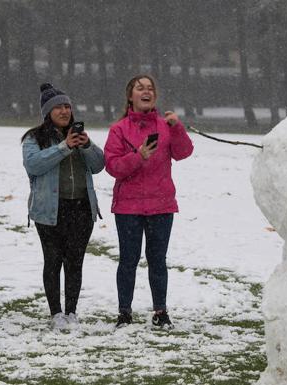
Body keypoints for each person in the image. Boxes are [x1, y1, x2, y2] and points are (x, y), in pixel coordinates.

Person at [104, 74, 193, 328]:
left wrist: (177, 127)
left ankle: (160, 311)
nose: (146, 92)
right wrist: (138, 156)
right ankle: (124, 312)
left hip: (161, 204)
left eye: (150, 88)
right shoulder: (119, 129)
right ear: (130, 96)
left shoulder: (165, 125)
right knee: (128, 260)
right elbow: (113, 166)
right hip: (128, 206)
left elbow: (183, 152)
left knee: (157, 261)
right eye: (139, 88)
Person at [22, 83, 104, 330]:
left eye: (67, 106)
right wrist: (63, 147)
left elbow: (99, 165)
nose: (64, 111)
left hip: (81, 207)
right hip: (49, 210)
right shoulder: (34, 138)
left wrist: (86, 146)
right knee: (53, 260)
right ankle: (56, 312)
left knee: (75, 261)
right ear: (47, 112)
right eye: (58, 107)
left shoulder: (79, 136)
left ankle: (71, 311)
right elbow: (34, 165)